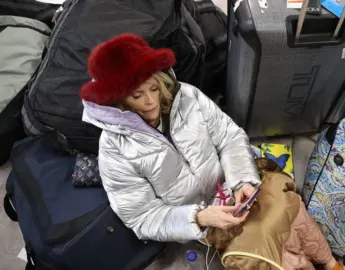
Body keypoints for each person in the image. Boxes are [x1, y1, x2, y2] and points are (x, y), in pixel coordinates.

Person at [79, 34, 261, 243]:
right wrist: (199, 218)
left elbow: (229, 137)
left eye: (154, 89)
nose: (150, 101)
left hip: (232, 190)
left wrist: (242, 181)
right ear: (118, 101)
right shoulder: (115, 150)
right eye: (137, 96)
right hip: (204, 224)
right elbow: (142, 217)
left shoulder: (188, 97)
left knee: (290, 216)